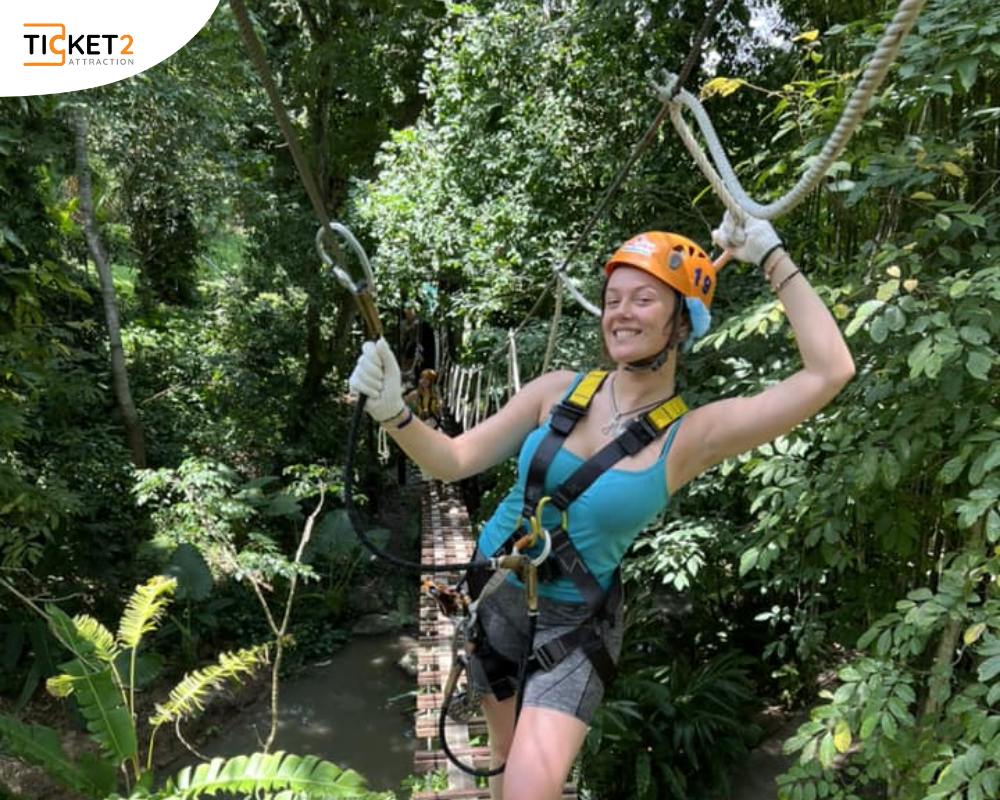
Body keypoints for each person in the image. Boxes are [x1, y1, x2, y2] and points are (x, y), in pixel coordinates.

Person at [348, 213, 855, 800]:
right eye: (613, 299)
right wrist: (395, 413)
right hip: (493, 591)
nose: (621, 312)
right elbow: (454, 460)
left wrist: (771, 255)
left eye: (643, 299)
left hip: (574, 623)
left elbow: (830, 372)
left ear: (681, 322)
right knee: (505, 763)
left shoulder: (691, 436)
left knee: (529, 790)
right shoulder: (556, 390)